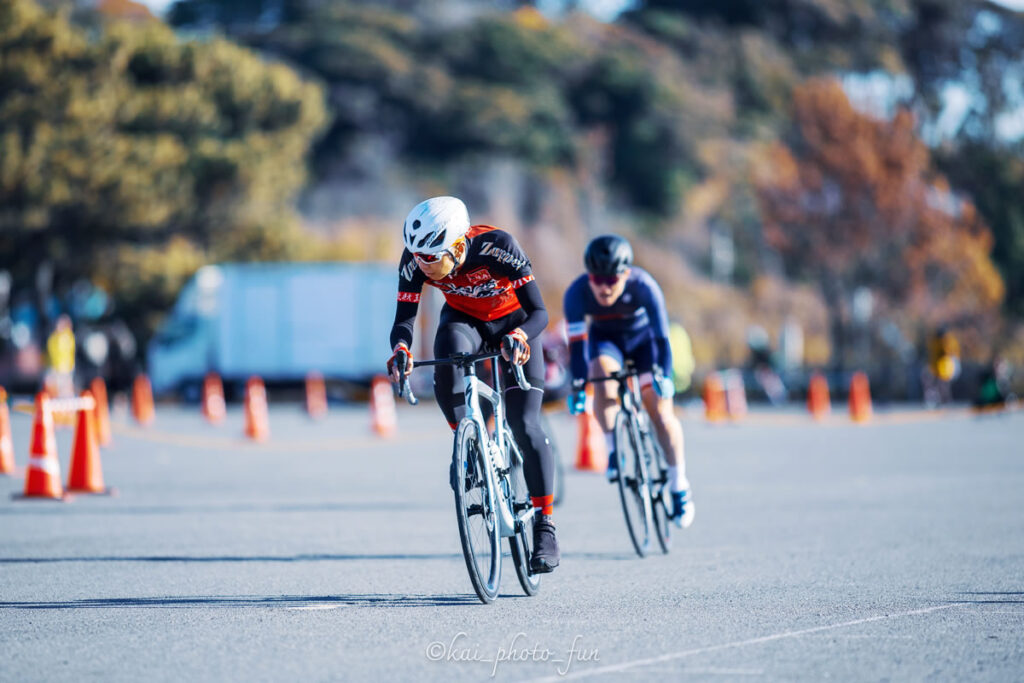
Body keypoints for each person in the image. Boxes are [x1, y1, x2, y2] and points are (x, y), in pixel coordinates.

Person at [387, 196, 560, 573]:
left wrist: (520, 336)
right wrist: (400, 348)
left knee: (525, 425)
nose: (423, 265)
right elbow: (404, 318)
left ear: (460, 245)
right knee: (446, 353)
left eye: (432, 257)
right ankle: (467, 445)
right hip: (465, 322)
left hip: (515, 324)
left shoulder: (499, 247)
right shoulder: (416, 256)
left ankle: (544, 523)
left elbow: (540, 312)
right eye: (417, 257)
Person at [563, 235, 694, 528]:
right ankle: (613, 452)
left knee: (660, 412)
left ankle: (678, 485)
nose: (604, 287)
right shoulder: (576, 293)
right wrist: (577, 385)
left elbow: (662, 338)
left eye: (612, 280)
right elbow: (577, 346)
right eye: (598, 279)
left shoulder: (644, 286)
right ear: (589, 276)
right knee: (602, 379)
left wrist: (665, 375)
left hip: (644, 342)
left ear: (625, 274)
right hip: (606, 342)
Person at [46, 314, 76, 397]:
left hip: (65, 367)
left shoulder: (67, 336)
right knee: (54, 384)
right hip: (56, 367)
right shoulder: (54, 337)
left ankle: (68, 400)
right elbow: (51, 352)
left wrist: (71, 364)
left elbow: (70, 352)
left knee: (65, 386)